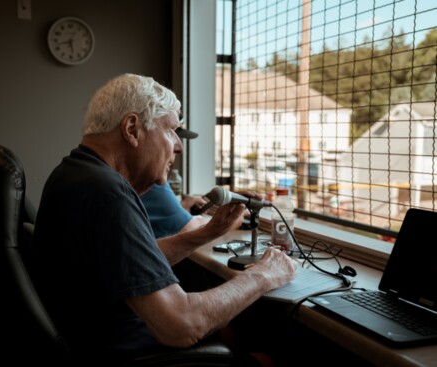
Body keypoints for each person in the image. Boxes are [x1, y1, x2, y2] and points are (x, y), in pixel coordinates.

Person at [31, 73, 297, 365]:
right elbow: (181, 325)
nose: (179, 145)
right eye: (171, 130)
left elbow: (128, 263)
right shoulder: (108, 193)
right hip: (125, 356)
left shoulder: (75, 173)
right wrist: (265, 275)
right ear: (132, 129)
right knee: (273, 359)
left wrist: (208, 232)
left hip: (96, 342)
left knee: (234, 333)